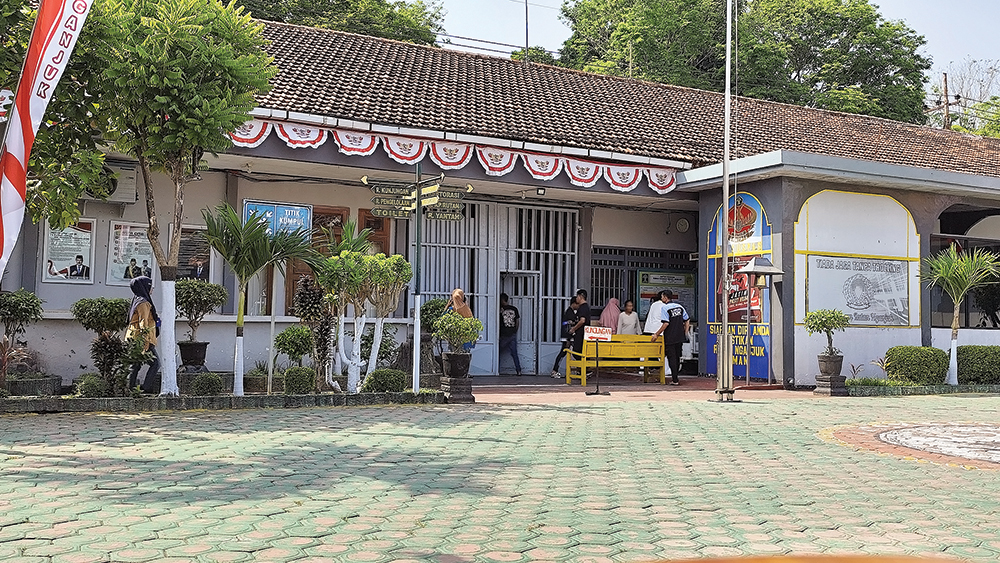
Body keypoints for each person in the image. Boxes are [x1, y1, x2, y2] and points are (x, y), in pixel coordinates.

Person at [125, 276, 161, 393]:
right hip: (141, 339)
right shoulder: (144, 303)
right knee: (155, 364)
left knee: (135, 365)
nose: (152, 288)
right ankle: (145, 389)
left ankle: (130, 390)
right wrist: (145, 342)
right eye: (150, 285)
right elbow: (143, 322)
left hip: (134, 337)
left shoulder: (137, 300)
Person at [650, 290, 690, 385]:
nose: (661, 298)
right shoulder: (680, 307)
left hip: (670, 337)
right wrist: (685, 332)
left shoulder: (665, 308)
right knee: (677, 357)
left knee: (672, 358)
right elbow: (687, 320)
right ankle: (675, 378)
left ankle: (675, 379)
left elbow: (666, 323)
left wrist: (656, 334)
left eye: (662, 296)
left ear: (665, 297)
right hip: (680, 336)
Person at [550, 298, 579, 378]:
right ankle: (554, 370)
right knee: (564, 353)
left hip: (568, 337)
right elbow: (568, 326)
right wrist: (568, 338)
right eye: (577, 304)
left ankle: (578, 370)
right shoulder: (569, 313)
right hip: (568, 337)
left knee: (574, 353)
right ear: (574, 303)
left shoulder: (570, 312)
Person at [498, 293, 522, 376]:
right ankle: (518, 370)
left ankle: (495, 369)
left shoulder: (501, 309)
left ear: (501, 300)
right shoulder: (514, 309)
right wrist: (515, 330)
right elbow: (517, 321)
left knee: (497, 351)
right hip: (512, 334)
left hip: (504, 334)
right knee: (514, 353)